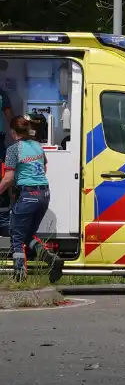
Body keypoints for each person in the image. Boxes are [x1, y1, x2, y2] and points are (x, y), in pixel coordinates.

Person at [1, 116, 60, 282]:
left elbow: (8, 178)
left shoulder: (13, 150)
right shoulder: (37, 146)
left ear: (13, 132)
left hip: (28, 196)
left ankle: (19, 278)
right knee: (28, 235)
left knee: (17, 237)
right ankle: (52, 260)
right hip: (44, 194)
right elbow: (44, 167)